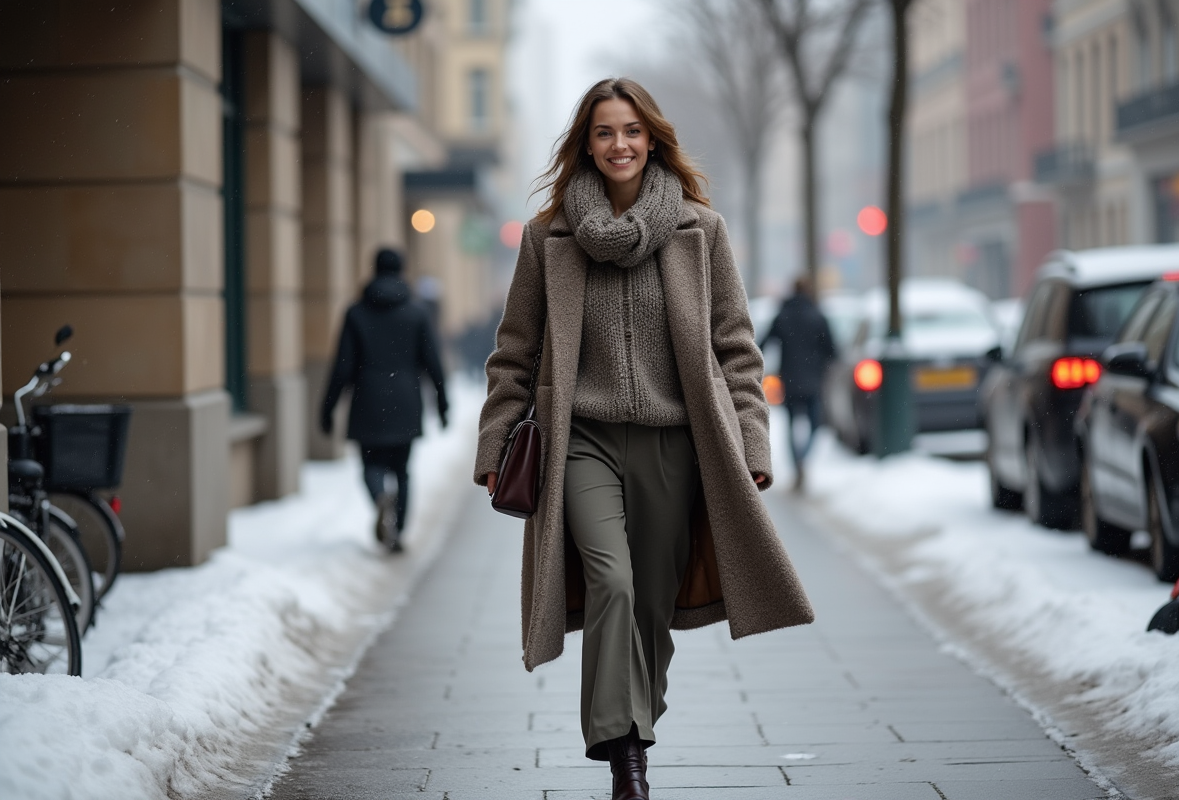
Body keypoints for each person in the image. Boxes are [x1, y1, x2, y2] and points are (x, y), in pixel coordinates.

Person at [474, 78, 814, 800]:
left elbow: (737, 352)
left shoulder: (701, 232)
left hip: (676, 446)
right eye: (603, 132)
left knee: (652, 606)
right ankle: (626, 755)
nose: (618, 144)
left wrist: (753, 446)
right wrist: (495, 443)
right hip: (582, 441)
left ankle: (631, 717)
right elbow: (514, 353)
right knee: (613, 582)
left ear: (651, 139)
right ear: (586, 145)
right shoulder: (549, 239)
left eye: (630, 131)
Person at [320, 248, 448, 552]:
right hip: (405, 400)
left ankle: (379, 496)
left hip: (367, 400)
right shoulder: (417, 312)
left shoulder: (355, 312)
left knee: (370, 463)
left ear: (373, 269)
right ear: (402, 270)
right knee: (402, 470)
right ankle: (397, 535)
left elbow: (342, 366)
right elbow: (433, 363)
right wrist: (443, 404)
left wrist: (327, 407)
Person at [759, 276, 837, 491]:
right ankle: (803, 459)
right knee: (814, 426)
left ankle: (797, 465)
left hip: (790, 381)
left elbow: (763, 344)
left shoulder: (783, 316)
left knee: (792, 425)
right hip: (813, 381)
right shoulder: (818, 316)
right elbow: (832, 350)